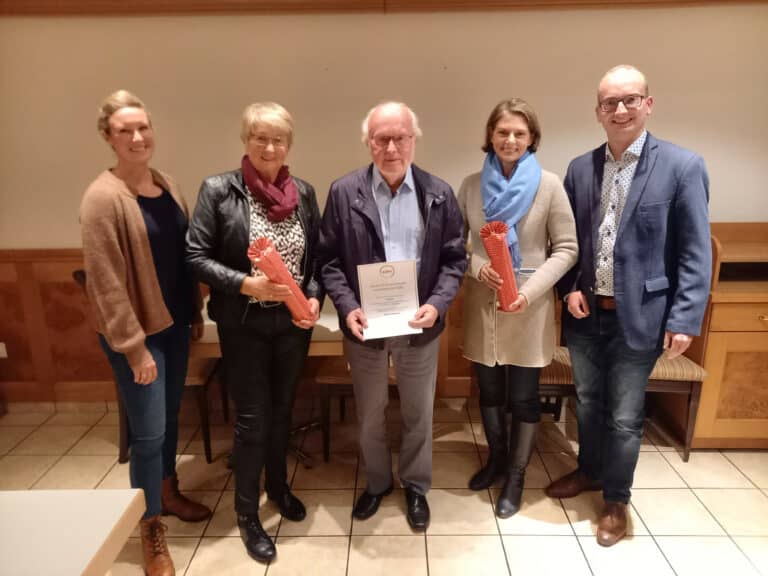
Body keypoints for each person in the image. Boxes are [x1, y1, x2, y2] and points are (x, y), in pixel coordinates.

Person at [546, 65, 711, 547]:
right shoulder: (580, 168)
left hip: (641, 318)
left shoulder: (682, 166)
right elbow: (568, 241)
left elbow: (695, 251)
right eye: (609, 103)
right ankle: (589, 471)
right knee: (588, 402)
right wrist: (569, 289)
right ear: (598, 111)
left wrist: (684, 319)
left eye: (629, 100)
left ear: (648, 104)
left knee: (623, 415)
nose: (619, 110)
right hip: (586, 314)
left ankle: (616, 500)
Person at [80, 90, 212, 576]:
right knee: (149, 432)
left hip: (174, 324)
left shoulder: (166, 184)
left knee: (170, 417)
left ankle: (167, 491)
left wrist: (194, 311)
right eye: (125, 130)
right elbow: (105, 285)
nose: (137, 137)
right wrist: (135, 350)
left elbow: (184, 259)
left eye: (143, 127)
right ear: (108, 138)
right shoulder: (102, 198)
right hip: (137, 336)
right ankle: (149, 526)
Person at [317, 101, 466, 532]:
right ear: (368, 143)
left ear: (413, 140)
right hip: (366, 326)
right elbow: (328, 261)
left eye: (400, 138)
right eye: (381, 139)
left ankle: (416, 486)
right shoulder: (344, 193)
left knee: (419, 412)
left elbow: (454, 259)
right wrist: (348, 307)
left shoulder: (439, 193)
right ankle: (378, 483)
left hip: (420, 325)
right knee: (370, 413)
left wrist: (437, 303)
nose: (391, 148)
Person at [186, 102, 321, 563]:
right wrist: (246, 284)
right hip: (243, 323)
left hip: (293, 324)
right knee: (252, 420)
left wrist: (314, 296)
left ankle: (278, 488)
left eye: (278, 138)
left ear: (289, 145)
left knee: (283, 411)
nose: (269, 147)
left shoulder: (304, 193)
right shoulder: (219, 190)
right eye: (260, 137)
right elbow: (195, 256)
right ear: (246, 140)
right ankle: (247, 513)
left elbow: (316, 259)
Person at [457, 98, 577, 518]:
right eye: (502, 131)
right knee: (489, 392)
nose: (510, 139)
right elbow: (454, 246)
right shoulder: (471, 186)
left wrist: (532, 288)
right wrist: (478, 267)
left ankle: (517, 475)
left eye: (519, 133)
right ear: (490, 136)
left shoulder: (550, 185)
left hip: (530, 306)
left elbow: (567, 248)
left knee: (524, 398)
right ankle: (496, 459)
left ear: (532, 139)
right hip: (483, 305)